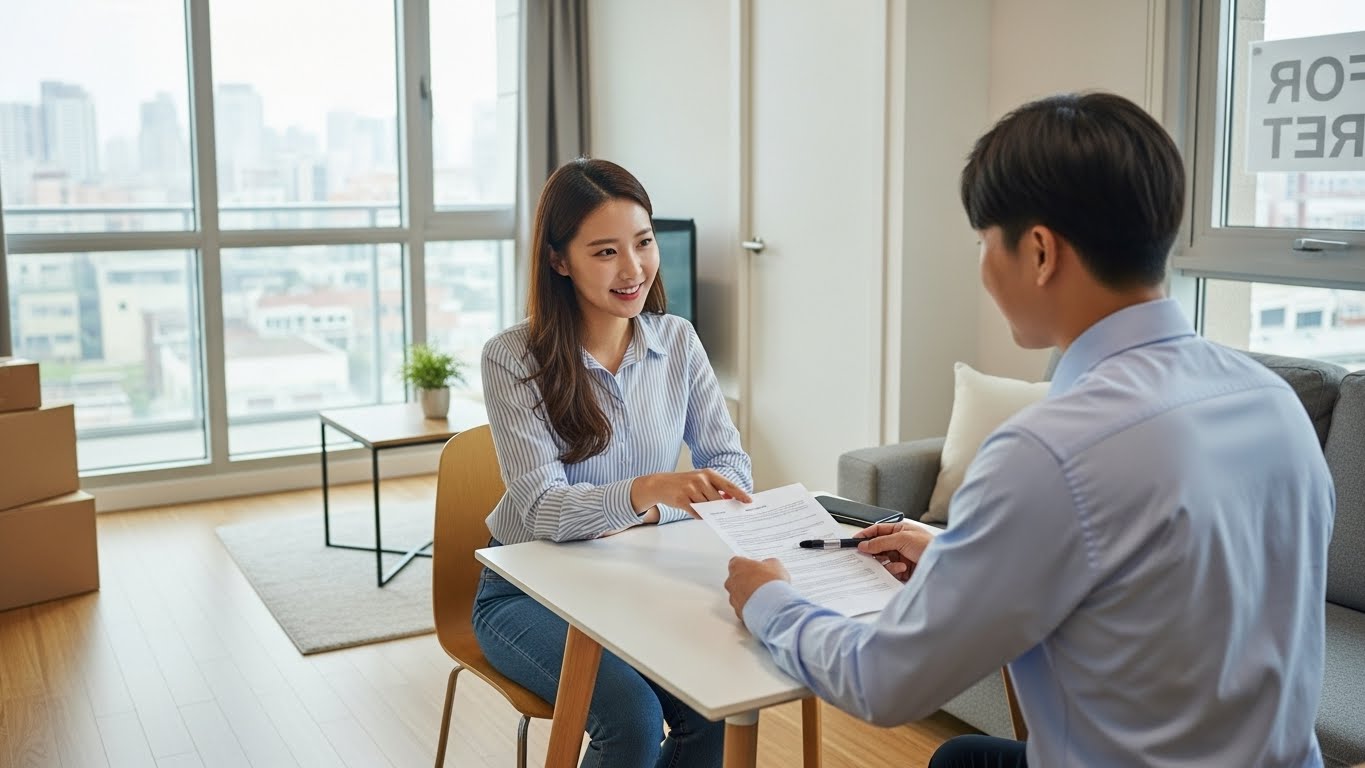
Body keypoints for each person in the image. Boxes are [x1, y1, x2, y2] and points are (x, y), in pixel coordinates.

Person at [724, 92, 1334, 767]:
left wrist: (769, 600)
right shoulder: (1270, 400)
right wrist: (959, 559)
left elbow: (882, 684)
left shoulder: (1050, 451)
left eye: (985, 242)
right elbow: (1165, 591)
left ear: (1039, 251)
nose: (983, 266)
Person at [472, 157, 753, 768]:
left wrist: (650, 515)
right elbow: (542, 510)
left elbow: (733, 474)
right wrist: (649, 489)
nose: (634, 270)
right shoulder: (512, 359)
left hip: (634, 581)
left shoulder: (677, 340)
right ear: (558, 260)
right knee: (630, 718)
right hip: (526, 593)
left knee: (714, 704)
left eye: (644, 243)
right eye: (605, 252)